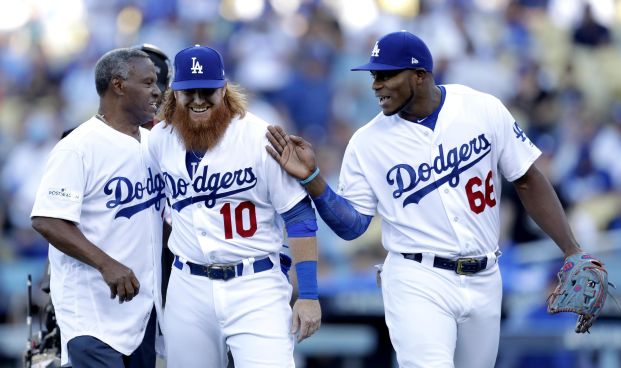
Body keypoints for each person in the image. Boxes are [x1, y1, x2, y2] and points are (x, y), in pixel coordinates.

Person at [266, 30, 586, 368]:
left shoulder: (481, 108)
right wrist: (314, 181)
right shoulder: (367, 142)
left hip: (485, 275)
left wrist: (572, 249)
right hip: (417, 277)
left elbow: (527, 178)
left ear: (420, 76)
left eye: (387, 75)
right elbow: (352, 225)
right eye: (375, 75)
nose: (376, 84)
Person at [148, 44, 321, 368]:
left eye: (207, 91)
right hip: (189, 286)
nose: (198, 99)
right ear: (175, 94)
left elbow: (298, 215)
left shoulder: (260, 137)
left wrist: (308, 295)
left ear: (224, 90)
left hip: (255, 284)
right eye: (189, 91)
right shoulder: (160, 140)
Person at [30, 48, 165, 368]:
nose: (157, 91)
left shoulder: (152, 144)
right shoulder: (78, 146)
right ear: (118, 85)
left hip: (141, 311)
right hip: (92, 314)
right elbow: (47, 219)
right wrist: (107, 264)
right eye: (148, 83)